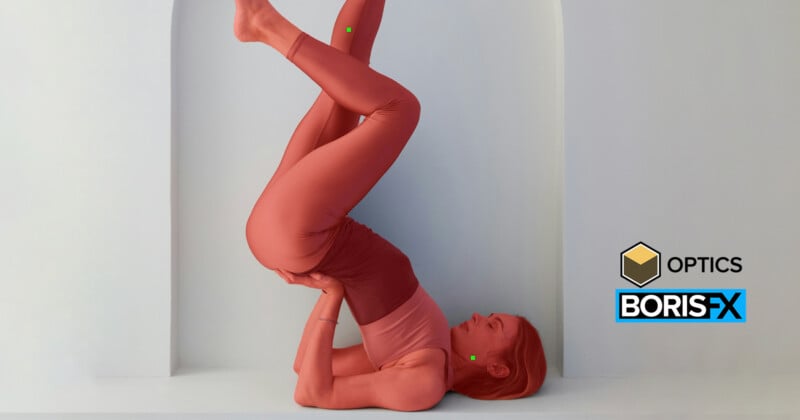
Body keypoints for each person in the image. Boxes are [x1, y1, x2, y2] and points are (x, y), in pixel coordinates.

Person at [236, 0, 546, 411]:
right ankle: (263, 19)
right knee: (346, 73)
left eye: (493, 326)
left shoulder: (424, 381)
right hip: (292, 232)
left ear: (496, 368)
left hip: (302, 233)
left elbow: (312, 389)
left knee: (400, 109)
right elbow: (309, 364)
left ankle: (264, 23)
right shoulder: (421, 346)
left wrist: (331, 293)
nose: (477, 316)